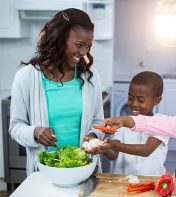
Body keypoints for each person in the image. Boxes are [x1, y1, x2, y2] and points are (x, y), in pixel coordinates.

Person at [9, 8, 105, 175]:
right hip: (45, 172)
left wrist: (93, 136)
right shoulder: (26, 77)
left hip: (84, 169)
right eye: (79, 45)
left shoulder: (90, 76)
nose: (83, 53)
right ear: (60, 39)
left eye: (88, 46)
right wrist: (35, 132)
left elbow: (98, 120)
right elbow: (16, 127)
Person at [84, 71, 169, 175]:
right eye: (130, 98)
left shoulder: (161, 122)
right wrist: (102, 146)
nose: (134, 103)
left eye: (141, 100)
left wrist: (113, 145)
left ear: (157, 100)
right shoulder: (123, 123)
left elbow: (146, 150)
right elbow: (113, 155)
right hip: (124, 181)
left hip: (152, 181)